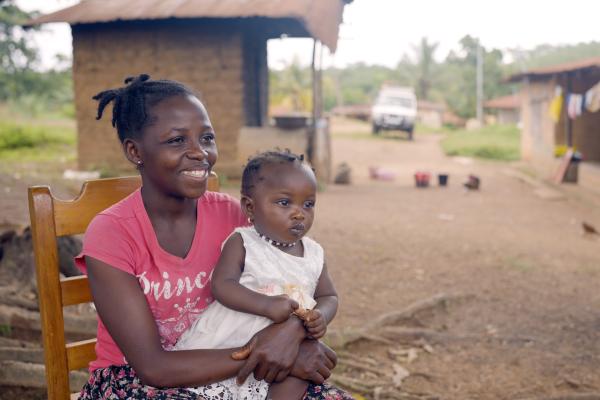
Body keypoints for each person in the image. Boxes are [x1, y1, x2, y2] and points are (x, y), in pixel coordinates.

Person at [74, 74, 353, 399]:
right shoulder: (113, 233)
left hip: (241, 375)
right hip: (138, 383)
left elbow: (295, 285)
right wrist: (264, 350)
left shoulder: (236, 216)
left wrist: (292, 335)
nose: (199, 153)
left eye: (206, 138)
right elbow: (153, 367)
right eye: (177, 141)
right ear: (135, 150)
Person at [173, 150, 338, 400]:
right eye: (284, 203)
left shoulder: (314, 253)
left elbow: (328, 296)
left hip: (286, 344)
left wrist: (320, 316)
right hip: (231, 341)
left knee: (297, 379)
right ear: (250, 206)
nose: (299, 213)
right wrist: (266, 305)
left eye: (308, 204)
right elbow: (222, 285)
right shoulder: (244, 241)